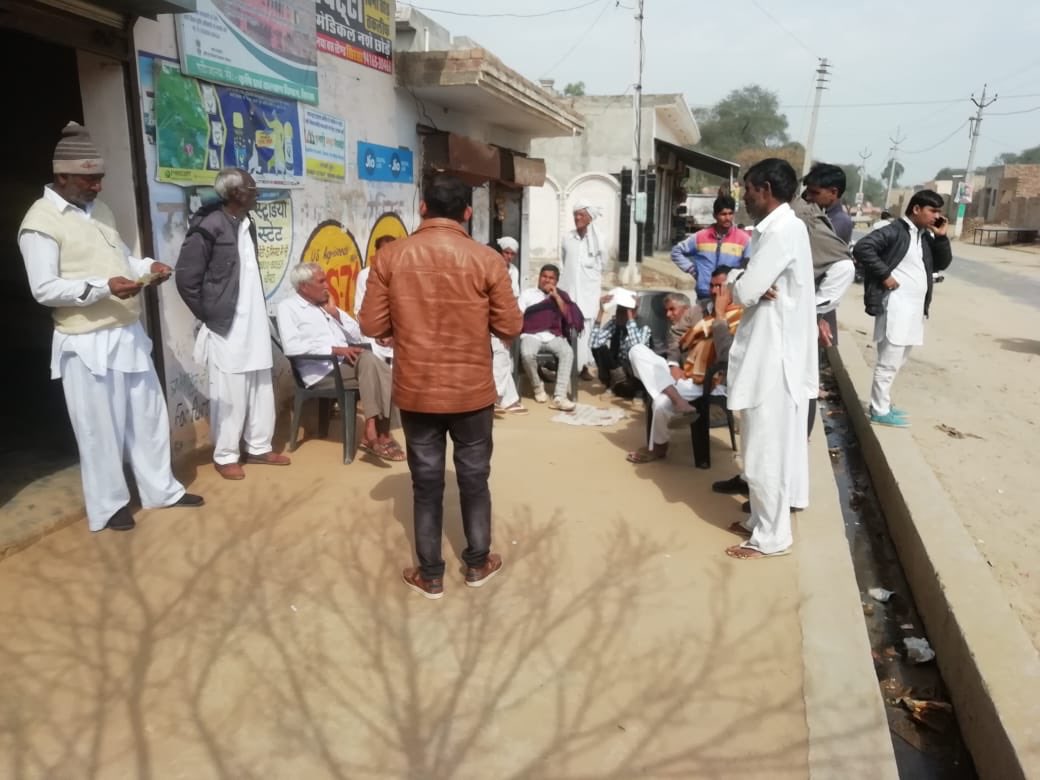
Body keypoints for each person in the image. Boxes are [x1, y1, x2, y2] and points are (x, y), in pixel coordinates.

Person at [17, 121, 202, 531]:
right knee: (100, 429)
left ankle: (161, 491)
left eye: (99, 178)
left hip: (126, 332)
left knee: (148, 417)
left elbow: (121, 261)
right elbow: (44, 288)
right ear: (62, 176)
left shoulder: (99, 211)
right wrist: (103, 288)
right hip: (85, 340)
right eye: (89, 179)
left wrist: (146, 267)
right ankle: (110, 506)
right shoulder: (40, 221)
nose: (97, 187)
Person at [358, 174, 522, 599]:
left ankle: (430, 574)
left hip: (418, 390)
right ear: (468, 212)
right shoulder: (487, 261)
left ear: (423, 209)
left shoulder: (391, 257)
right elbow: (510, 325)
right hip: (472, 391)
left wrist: (401, 326)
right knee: (474, 477)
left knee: (425, 483)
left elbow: (371, 325)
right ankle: (478, 562)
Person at [725, 158, 816, 560]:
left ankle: (771, 536)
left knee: (765, 448)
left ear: (764, 188)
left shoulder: (782, 231)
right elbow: (750, 285)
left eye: (747, 189)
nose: (744, 197)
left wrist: (738, 282)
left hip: (775, 357)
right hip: (770, 350)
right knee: (760, 443)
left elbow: (744, 292)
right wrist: (744, 281)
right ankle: (759, 521)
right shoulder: (773, 231)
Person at [175, 167, 290, 480]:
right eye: (251, 188)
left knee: (260, 387)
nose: (256, 192)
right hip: (226, 326)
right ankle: (226, 455)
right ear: (235, 193)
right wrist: (210, 313)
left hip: (253, 324)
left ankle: (259, 446)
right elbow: (186, 279)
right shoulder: (209, 226)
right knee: (230, 392)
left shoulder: (247, 222)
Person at [276, 262, 402, 461]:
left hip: (347, 366)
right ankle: (379, 434)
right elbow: (292, 347)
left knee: (379, 368)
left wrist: (335, 313)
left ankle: (372, 431)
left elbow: (357, 334)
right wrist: (334, 350)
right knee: (373, 363)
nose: (327, 285)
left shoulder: (324, 306)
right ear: (304, 286)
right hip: (321, 372)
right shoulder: (288, 308)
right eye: (321, 281)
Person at [852, 190, 952, 428]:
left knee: (900, 359)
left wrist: (941, 238)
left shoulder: (923, 236)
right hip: (896, 306)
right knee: (889, 360)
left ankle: (883, 403)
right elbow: (863, 248)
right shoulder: (894, 231)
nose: (936, 216)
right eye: (932, 211)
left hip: (914, 309)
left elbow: (941, 263)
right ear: (916, 209)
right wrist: (885, 275)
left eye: (939, 212)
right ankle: (879, 409)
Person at [627, 272, 741, 463]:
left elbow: (726, 355)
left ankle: (659, 446)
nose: (714, 291)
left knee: (661, 403)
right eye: (712, 285)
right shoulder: (699, 309)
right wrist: (672, 363)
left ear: (732, 289)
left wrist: (720, 317)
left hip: (712, 380)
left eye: (720, 287)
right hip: (683, 374)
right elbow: (674, 334)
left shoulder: (740, 317)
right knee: (637, 350)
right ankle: (677, 397)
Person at [517, 264, 584, 412]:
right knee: (527, 354)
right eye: (544, 276)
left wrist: (556, 297)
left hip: (553, 335)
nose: (547, 280)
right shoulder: (528, 293)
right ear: (539, 277)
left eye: (551, 278)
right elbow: (518, 315)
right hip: (531, 334)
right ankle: (537, 386)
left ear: (556, 281)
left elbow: (569, 316)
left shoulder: (561, 295)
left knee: (567, 352)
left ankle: (559, 397)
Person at [670, 195, 751, 305]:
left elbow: (749, 266)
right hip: (704, 296)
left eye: (730, 213)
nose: (727, 218)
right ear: (715, 215)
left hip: (729, 298)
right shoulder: (700, 236)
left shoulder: (744, 239)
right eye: (723, 214)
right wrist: (693, 270)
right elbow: (676, 251)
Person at [559, 202, 604, 378]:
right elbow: (563, 263)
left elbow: (603, 265)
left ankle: (583, 367)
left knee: (585, 330)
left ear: (590, 218)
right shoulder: (567, 238)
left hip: (588, 292)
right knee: (567, 327)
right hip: (569, 291)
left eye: (581, 215)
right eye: (575, 215)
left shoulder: (599, 239)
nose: (577, 218)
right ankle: (567, 368)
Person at [587, 287, 651, 398]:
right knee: (600, 349)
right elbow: (593, 343)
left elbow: (637, 345)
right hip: (618, 371)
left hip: (633, 372)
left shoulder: (644, 328)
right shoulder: (614, 324)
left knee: (636, 355)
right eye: (618, 310)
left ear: (633, 313)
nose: (620, 315)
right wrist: (601, 311)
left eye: (624, 312)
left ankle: (638, 393)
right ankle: (612, 385)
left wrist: (630, 315)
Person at [488, 237, 526, 415]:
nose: (509, 256)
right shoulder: (491, 268)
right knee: (500, 356)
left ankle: (506, 400)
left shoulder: (514, 271)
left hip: (503, 318)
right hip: (490, 318)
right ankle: (495, 398)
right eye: (506, 252)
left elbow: (514, 299)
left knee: (503, 358)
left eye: (512, 254)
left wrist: (510, 326)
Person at [355, 234, 396, 365]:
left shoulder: (402, 273)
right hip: (375, 331)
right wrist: (380, 332)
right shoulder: (365, 275)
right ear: (377, 252)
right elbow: (360, 310)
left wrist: (393, 333)